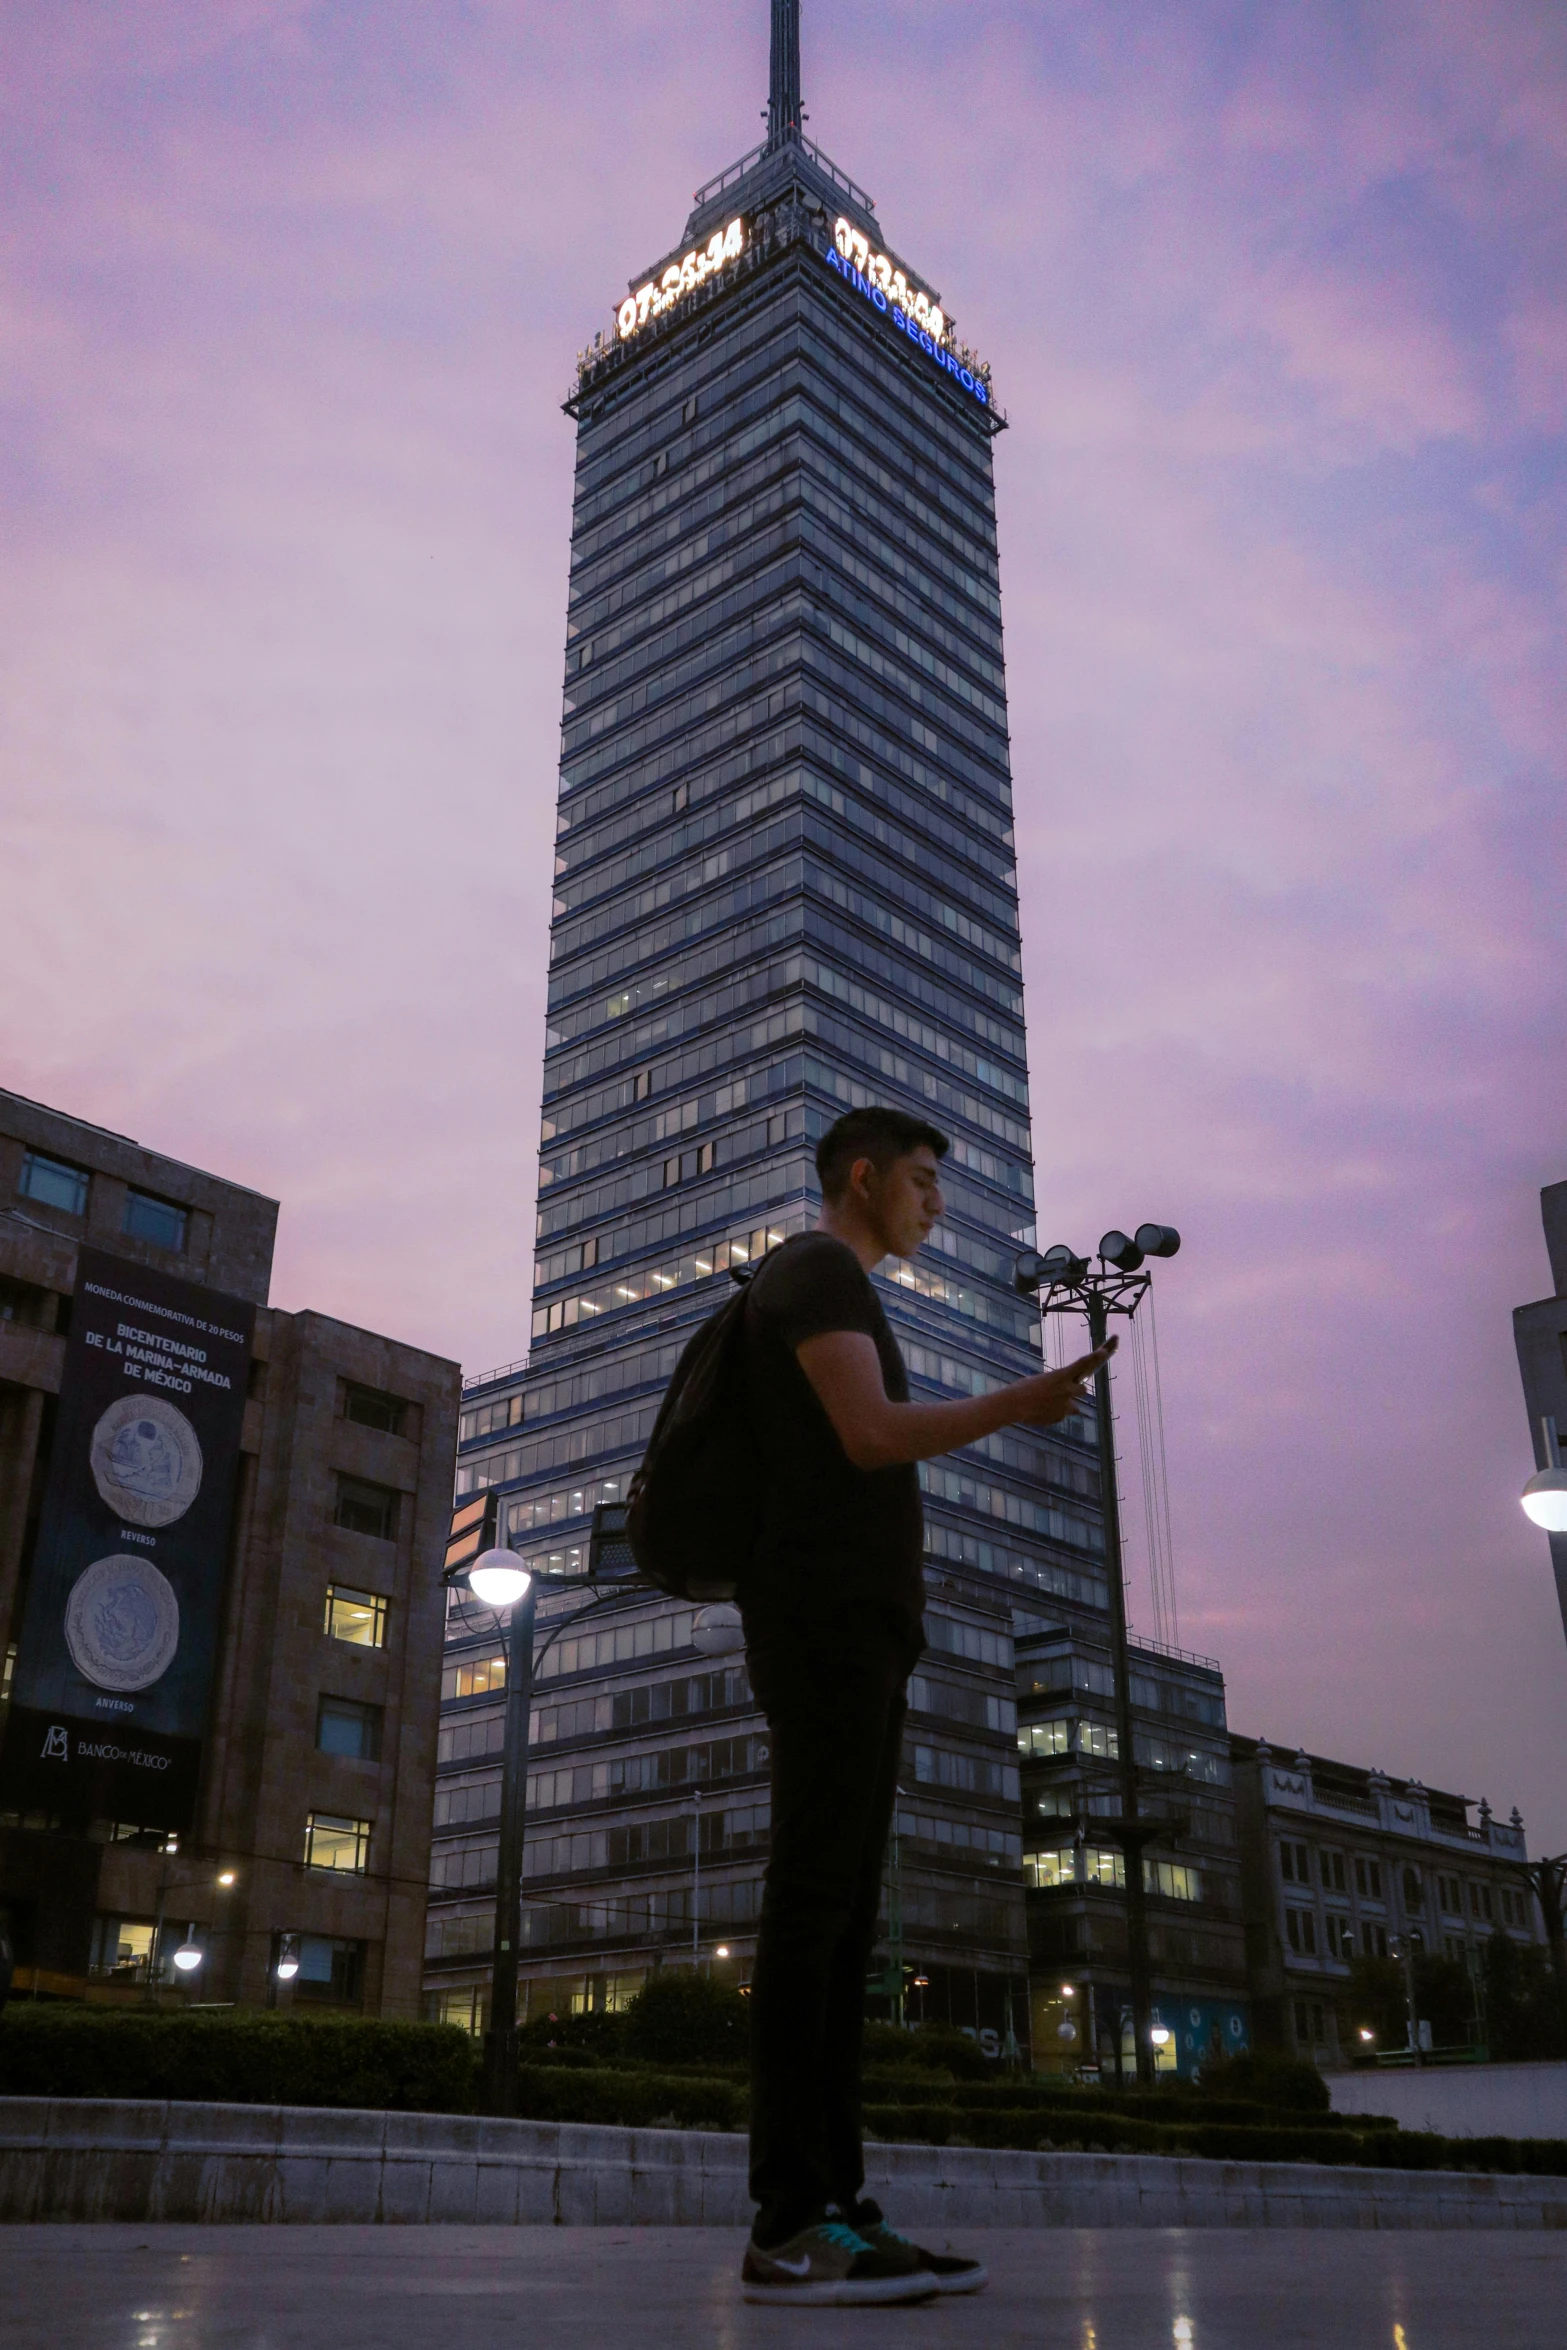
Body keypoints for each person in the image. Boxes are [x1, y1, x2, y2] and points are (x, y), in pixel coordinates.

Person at [738, 1104, 1114, 2306]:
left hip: (860, 1633)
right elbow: (868, 1434)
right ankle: (787, 2221)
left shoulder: (851, 1289)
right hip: (820, 1623)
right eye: (919, 1181)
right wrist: (1018, 1402)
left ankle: (840, 2208)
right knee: (812, 1908)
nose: (934, 1204)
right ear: (861, 1176)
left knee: (844, 1923)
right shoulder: (813, 1271)